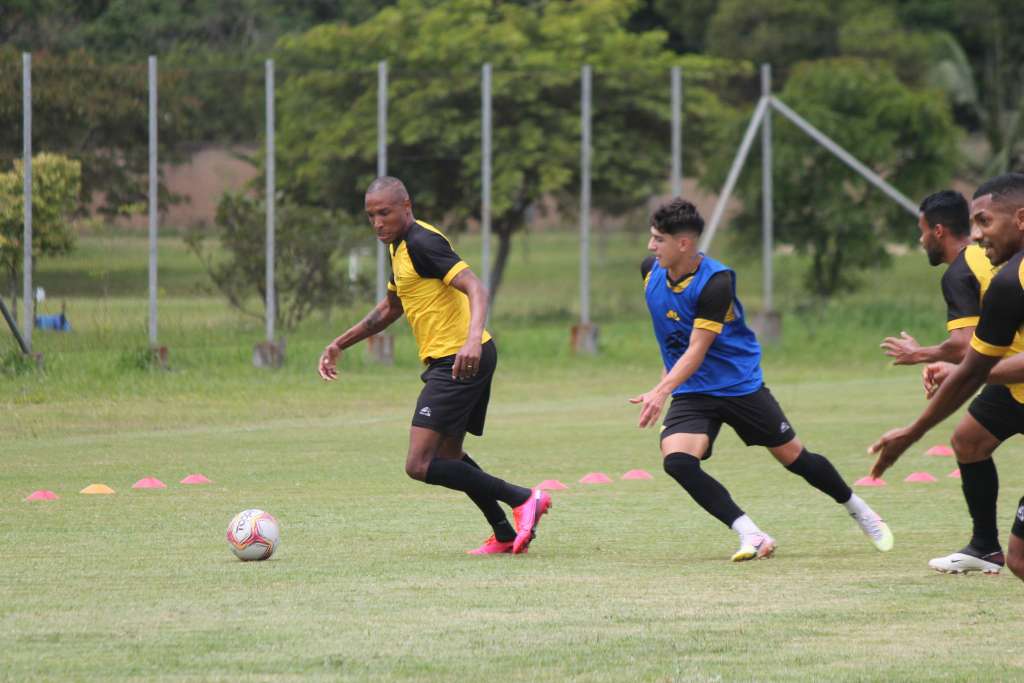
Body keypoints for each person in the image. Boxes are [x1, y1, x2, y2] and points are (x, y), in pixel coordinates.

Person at [630, 198, 893, 562]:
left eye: (659, 239)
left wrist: (660, 391)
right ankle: (751, 534)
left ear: (684, 244)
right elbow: (672, 339)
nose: (650, 246)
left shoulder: (715, 282)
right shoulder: (649, 272)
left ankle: (859, 509)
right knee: (678, 462)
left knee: (795, 459)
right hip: (692, 390)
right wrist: (666, 386)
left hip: (738, 386)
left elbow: (696, 349)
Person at [318, 176, 551, 555]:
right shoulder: (398, 248)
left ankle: (525, 498)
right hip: (455, 358)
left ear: (406, 206)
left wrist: (472, 338)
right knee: (449, 457)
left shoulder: (423, 242)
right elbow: (390, 308)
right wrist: (339, 343)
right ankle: (505, 533)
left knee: (419, 463)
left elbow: (476, 286)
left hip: (459, 359)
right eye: (371, 215)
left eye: (385, 213)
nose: (377, 222)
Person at [870, 172, 1024, 581]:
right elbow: (974, 362)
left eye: (985, 222)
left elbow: (966, 353)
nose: (977, 235)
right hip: (1014, 386)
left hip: (1013, 377)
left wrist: (933, 358)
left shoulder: (965, 272)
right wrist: (912, 431)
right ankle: (984, 546)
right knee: (968, 440)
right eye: (974, 224)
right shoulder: (1008, 280)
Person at [880, 190, 992, 366]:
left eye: (923, 231)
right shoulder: (992, 253)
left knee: (946, 394)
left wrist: (918, 353)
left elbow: (964, 347)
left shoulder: (959, 274)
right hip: (1013, 365)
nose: (921, 240)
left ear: (938, 231)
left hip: (1018, 381)